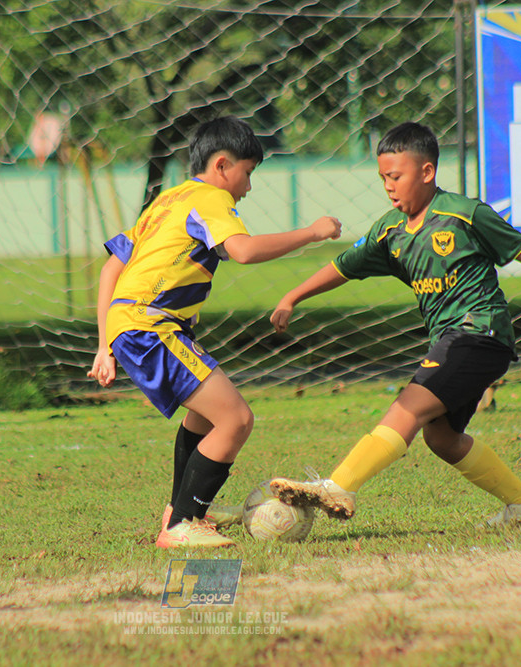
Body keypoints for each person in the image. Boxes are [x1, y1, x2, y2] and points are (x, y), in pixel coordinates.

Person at [267, 121, 521, 527]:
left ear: (427, 172)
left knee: (408, 407)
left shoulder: (465, 214)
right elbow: (343, 267)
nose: (389, 186)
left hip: (480, 332)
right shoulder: (389, 231)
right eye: (383, 178)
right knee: (442, 438)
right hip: (452, 340)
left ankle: (339, 486)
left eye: (396, 176)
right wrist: (293, 297)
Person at [87, 116, 342, 548]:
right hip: (151, 325)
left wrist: (103, 344)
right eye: (247, 174)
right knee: (236, 419)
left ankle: (181, 511)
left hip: (135, 324)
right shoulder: (209, 198)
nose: (248, 187)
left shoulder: (169, 199)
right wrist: (312, 233)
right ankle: (181, 525)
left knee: (204, 416)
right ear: (223, 165)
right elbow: (241, 251)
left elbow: (113, 266)